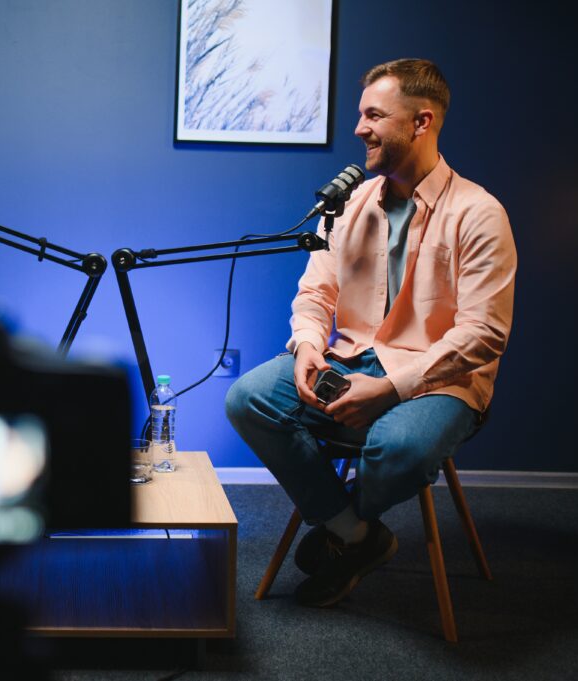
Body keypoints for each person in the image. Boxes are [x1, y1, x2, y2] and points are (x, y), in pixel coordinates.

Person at [224, 59, 517, 608]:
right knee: (249, 399)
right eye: (361, 114)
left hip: (441, 381)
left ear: (421, 123)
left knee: (398, 448)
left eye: (374, 115)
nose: (359, 128)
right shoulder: (350, 203)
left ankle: (341, 531)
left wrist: (389, 389)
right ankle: (360, 537)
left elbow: (485, 334)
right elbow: (315, 295)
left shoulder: (480, 214)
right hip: (353, 358)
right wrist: (310, 344)